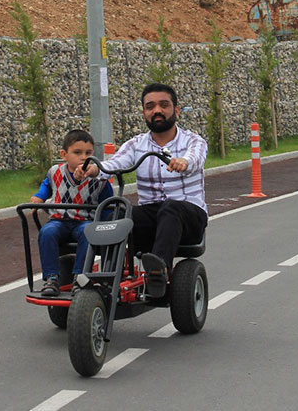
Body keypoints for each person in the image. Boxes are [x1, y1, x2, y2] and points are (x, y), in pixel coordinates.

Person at [75, 83, 207, 299]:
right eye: (150, 106)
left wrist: (184, 162)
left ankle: (159, 270)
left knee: (171, 208)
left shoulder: (193, 141)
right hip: (152, 218)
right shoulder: (136, 144)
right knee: (118, 211)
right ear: (144, 112)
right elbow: (116, 162)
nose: (157, 111)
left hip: (188, 217)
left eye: (164, 105)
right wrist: (94, 169)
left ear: (176, 109)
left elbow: (195, 158)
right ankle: (102, 277)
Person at [30, 129, 113, 296]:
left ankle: (80, 277)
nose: (83, 157)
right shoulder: (55, 172)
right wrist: (39, 197)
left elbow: (108, 204)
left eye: (88, 153)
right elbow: (47, 186)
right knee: (47, 232)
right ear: (64, 154)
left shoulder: (99, 179)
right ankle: (51, 278)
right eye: (77, 152)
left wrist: (105, 224)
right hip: (59, 220)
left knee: (87, 232)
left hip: (84, 222)